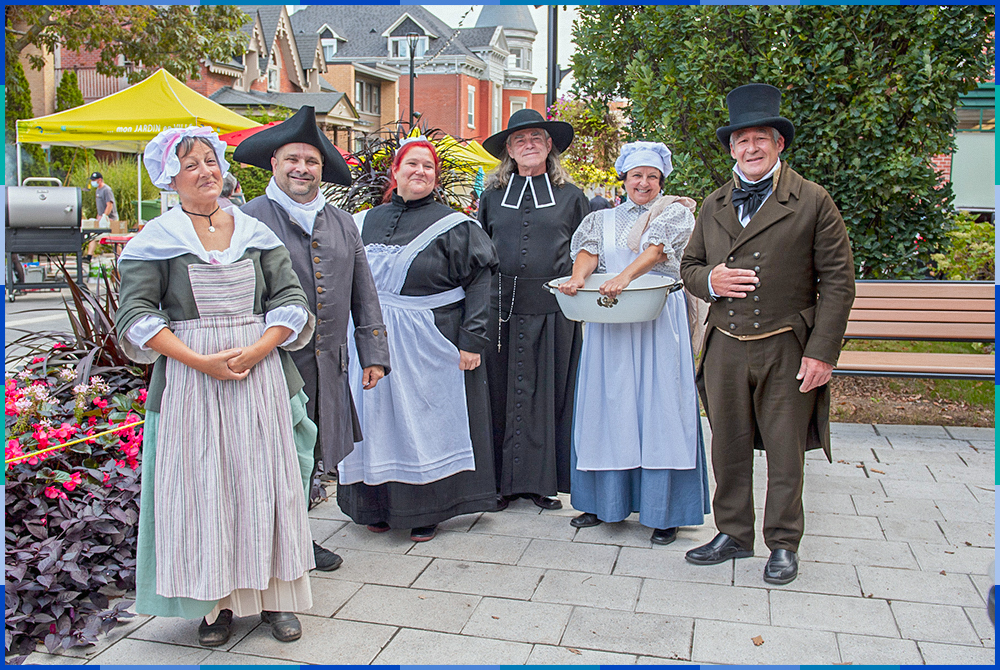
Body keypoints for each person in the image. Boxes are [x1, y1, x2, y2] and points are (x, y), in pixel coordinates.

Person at [115, 126, 316, 646]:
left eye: (210, 160)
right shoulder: (155, 241)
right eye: (191, 165)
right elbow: (136, 314)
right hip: (190, 383)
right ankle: (216, 605)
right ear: (169, 178)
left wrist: (256, 349)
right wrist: (199, 361)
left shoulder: (254, 233)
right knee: (206, 493)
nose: (206, 171)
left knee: (268, 485)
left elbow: (290, 299)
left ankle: (276, 598)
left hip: (260, 375)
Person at [680, 83, 855, 584]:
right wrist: (708, 280)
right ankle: (733, 534)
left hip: (786, 344)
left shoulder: (812, 200)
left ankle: (783, 543)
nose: (750, 148)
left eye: (760, 138)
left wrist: (822, 352)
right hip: (725, 346)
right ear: (731, 148)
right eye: (741, 141)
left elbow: (839, 283)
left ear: (779, 144)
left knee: (784, 451)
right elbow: (690, 265)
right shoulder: (714, 203)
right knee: (727, 446)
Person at [234, 105, 390, 569]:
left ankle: (297, 537)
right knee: (269, 457)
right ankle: (264, 547)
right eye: (293, 159)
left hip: (329, 363)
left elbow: (365, 292)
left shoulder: (342, 222)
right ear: (274, 163)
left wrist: (374, 354)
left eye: (312, 162)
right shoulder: (246, 220)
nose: (303, 169)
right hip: (270, 364)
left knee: (311, 456)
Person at [338, 137, 498, 542]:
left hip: (430, 340)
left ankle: (427, 509)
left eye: (428, 166)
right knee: (374, 423)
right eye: (412, 164)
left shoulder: (457, 226)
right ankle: (373, 504)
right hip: (372, 340)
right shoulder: (362, 220)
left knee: (424, 425)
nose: (420, 172)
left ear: (436, 176)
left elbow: (482, 283)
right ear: (395, 171)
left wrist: (473, 340)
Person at [558, 142, 710, 544]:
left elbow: (657, 252)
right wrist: (577, 277)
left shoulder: (675, 212)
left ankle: (665, 512)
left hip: (657, 320)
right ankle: (602, 503)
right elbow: (589, 252)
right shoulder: (602, 218)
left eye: (652, 177)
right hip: (611, 320)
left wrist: (624, 279)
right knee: (608, 403)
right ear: (623, 179)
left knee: (660, 406)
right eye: (636, 175)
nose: (644, 183)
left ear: (662, 182)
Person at [479, 108, 589, 511]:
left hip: (553, 309)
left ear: (549, 148)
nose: (528, 145)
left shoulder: (572, 197)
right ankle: (499, 483)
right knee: (499, 394)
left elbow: (586, 251)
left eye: (536, 139)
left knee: (547, 395)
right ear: (509, 149)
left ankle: (542, 483)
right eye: (520, 140)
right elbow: (480, 252)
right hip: (501, 311)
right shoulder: (492, 198)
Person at [85, 171, 119, 261]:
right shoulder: (98, 190)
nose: (93, 182)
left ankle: (120, 257)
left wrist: (105, 216)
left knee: (114, 241)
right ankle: (89, 257)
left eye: (94, 180)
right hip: (101, 219)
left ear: (100, 180)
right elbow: (99, 206)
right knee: (93, 236)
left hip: (110, 219)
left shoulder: (106, 190)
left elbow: (109, 204)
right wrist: (98, 218)